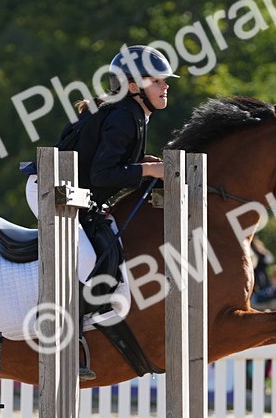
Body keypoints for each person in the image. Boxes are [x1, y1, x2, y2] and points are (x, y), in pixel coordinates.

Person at [24, 44, 177, 379]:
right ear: (134, 86)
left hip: (77, 194)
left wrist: (145, 166)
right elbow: (103, 175)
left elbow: (110, 168)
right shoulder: (125, 115)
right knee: (89, 260)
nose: (166, 85)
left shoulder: (132, 112)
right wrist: (149, 171)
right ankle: (66, 343)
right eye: (157, 80)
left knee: (108, 253)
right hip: (53, 190)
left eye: (166, 80)